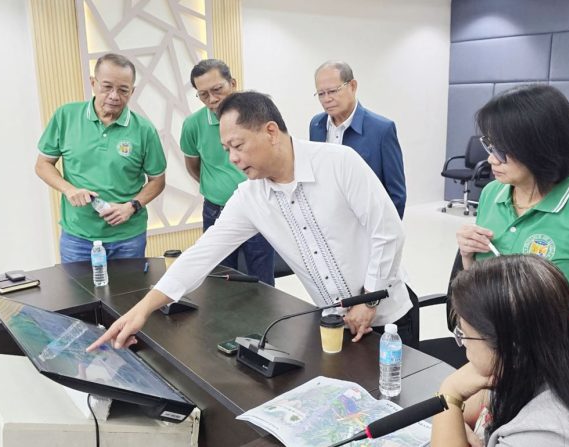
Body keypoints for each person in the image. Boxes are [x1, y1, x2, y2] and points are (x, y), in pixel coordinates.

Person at [88, 91, 413, 351]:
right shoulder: (249, 197)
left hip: (391, 318)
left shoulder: (339, 163)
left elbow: (388, 232)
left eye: (238, 145)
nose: (232, 158)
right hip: (335, 325)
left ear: (270, 131)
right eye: (226, 148)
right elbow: (203, 254)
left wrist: (369, 299)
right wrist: (142, 309)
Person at [456, 84, 569, 334]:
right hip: (494, 342)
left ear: (539, 146)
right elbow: (481, 282)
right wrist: (467, 255)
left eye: (501, 149)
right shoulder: (493, 193)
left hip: (557, 357)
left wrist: (566, 329)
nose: (491, 158)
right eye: (490, 145)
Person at [431, 255, 569, 447]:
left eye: (464, 335)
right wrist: (452, 420)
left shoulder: (547, 433)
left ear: (511, 348)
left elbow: (455, 408)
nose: (463, 345)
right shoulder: (545, 364)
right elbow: (475, 405)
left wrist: (449, 392)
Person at [35, 53, 166, 262]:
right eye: (107, 87)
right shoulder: (66, 116)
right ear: (93, 83)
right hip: (77, 237)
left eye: (123, 90)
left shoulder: (144, 130)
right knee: (79, 295)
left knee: (129, 294)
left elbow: (158, 181)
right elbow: (43, 165)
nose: (114, 96)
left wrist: (131, 207)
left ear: (132, 91)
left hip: (128, 238)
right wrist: (69, 189)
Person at [182, 59, 275, 285]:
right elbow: (193, 166)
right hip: (215, 212)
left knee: (261, 282)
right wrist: (217, 186)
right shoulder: (192, 125)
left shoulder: (257, 117)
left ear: (232, 83)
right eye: (203, 94)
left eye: (217, 90)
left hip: (258, 208)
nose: (212, 100)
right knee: (220, 282)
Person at [309, 61, 406, 218]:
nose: (327, 99)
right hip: (330, 223)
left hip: (366, 223)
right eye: (321, 94)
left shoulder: (381, 129)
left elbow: (397, 195)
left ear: (352, 86)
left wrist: (386, 236)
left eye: (333, 91)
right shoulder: (316, 125)